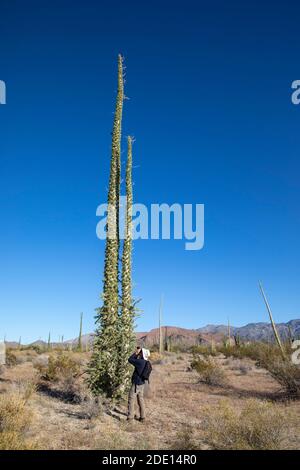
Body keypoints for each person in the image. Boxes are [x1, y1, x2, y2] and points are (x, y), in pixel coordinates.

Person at [127, 346, 150, 422]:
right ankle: (143, 417)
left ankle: (130, 418)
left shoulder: (140, 362)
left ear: (142, 354)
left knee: (131, 399)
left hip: (136, 384)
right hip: (142, 384)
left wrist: (136, 353)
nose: (139, 353)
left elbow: (130, 359)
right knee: (141, 399)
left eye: (141, 352)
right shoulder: (146, 362)